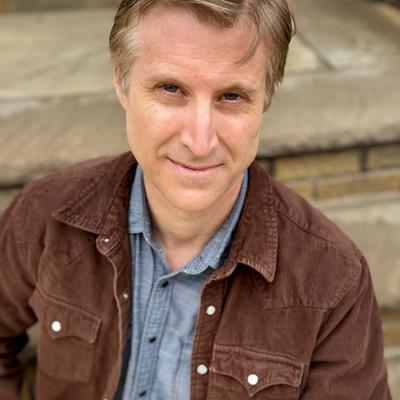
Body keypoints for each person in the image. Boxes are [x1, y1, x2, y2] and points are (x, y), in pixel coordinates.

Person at [0, 0, 392, 399]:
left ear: (266, 100)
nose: (200, 142)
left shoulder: (332, 278)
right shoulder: (45, 214)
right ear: (121, 80)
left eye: (232, 96)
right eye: (171, 89)